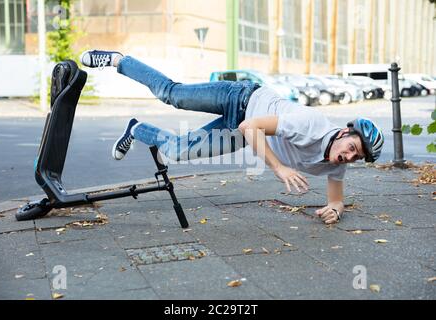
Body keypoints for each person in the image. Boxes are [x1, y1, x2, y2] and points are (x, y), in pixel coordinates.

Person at [80, 50, 384, 225]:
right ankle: (119, 60)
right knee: (171, 94)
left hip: (246, 132)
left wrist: (335, 210)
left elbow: (337, 199)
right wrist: (279, 168)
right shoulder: (310, 125)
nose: (349, 156)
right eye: (352, 148)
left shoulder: (337, 165)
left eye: (356, 158)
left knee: (176, 151)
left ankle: (136, 129)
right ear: (345, 132)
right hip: (240, 100)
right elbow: (250, 125)